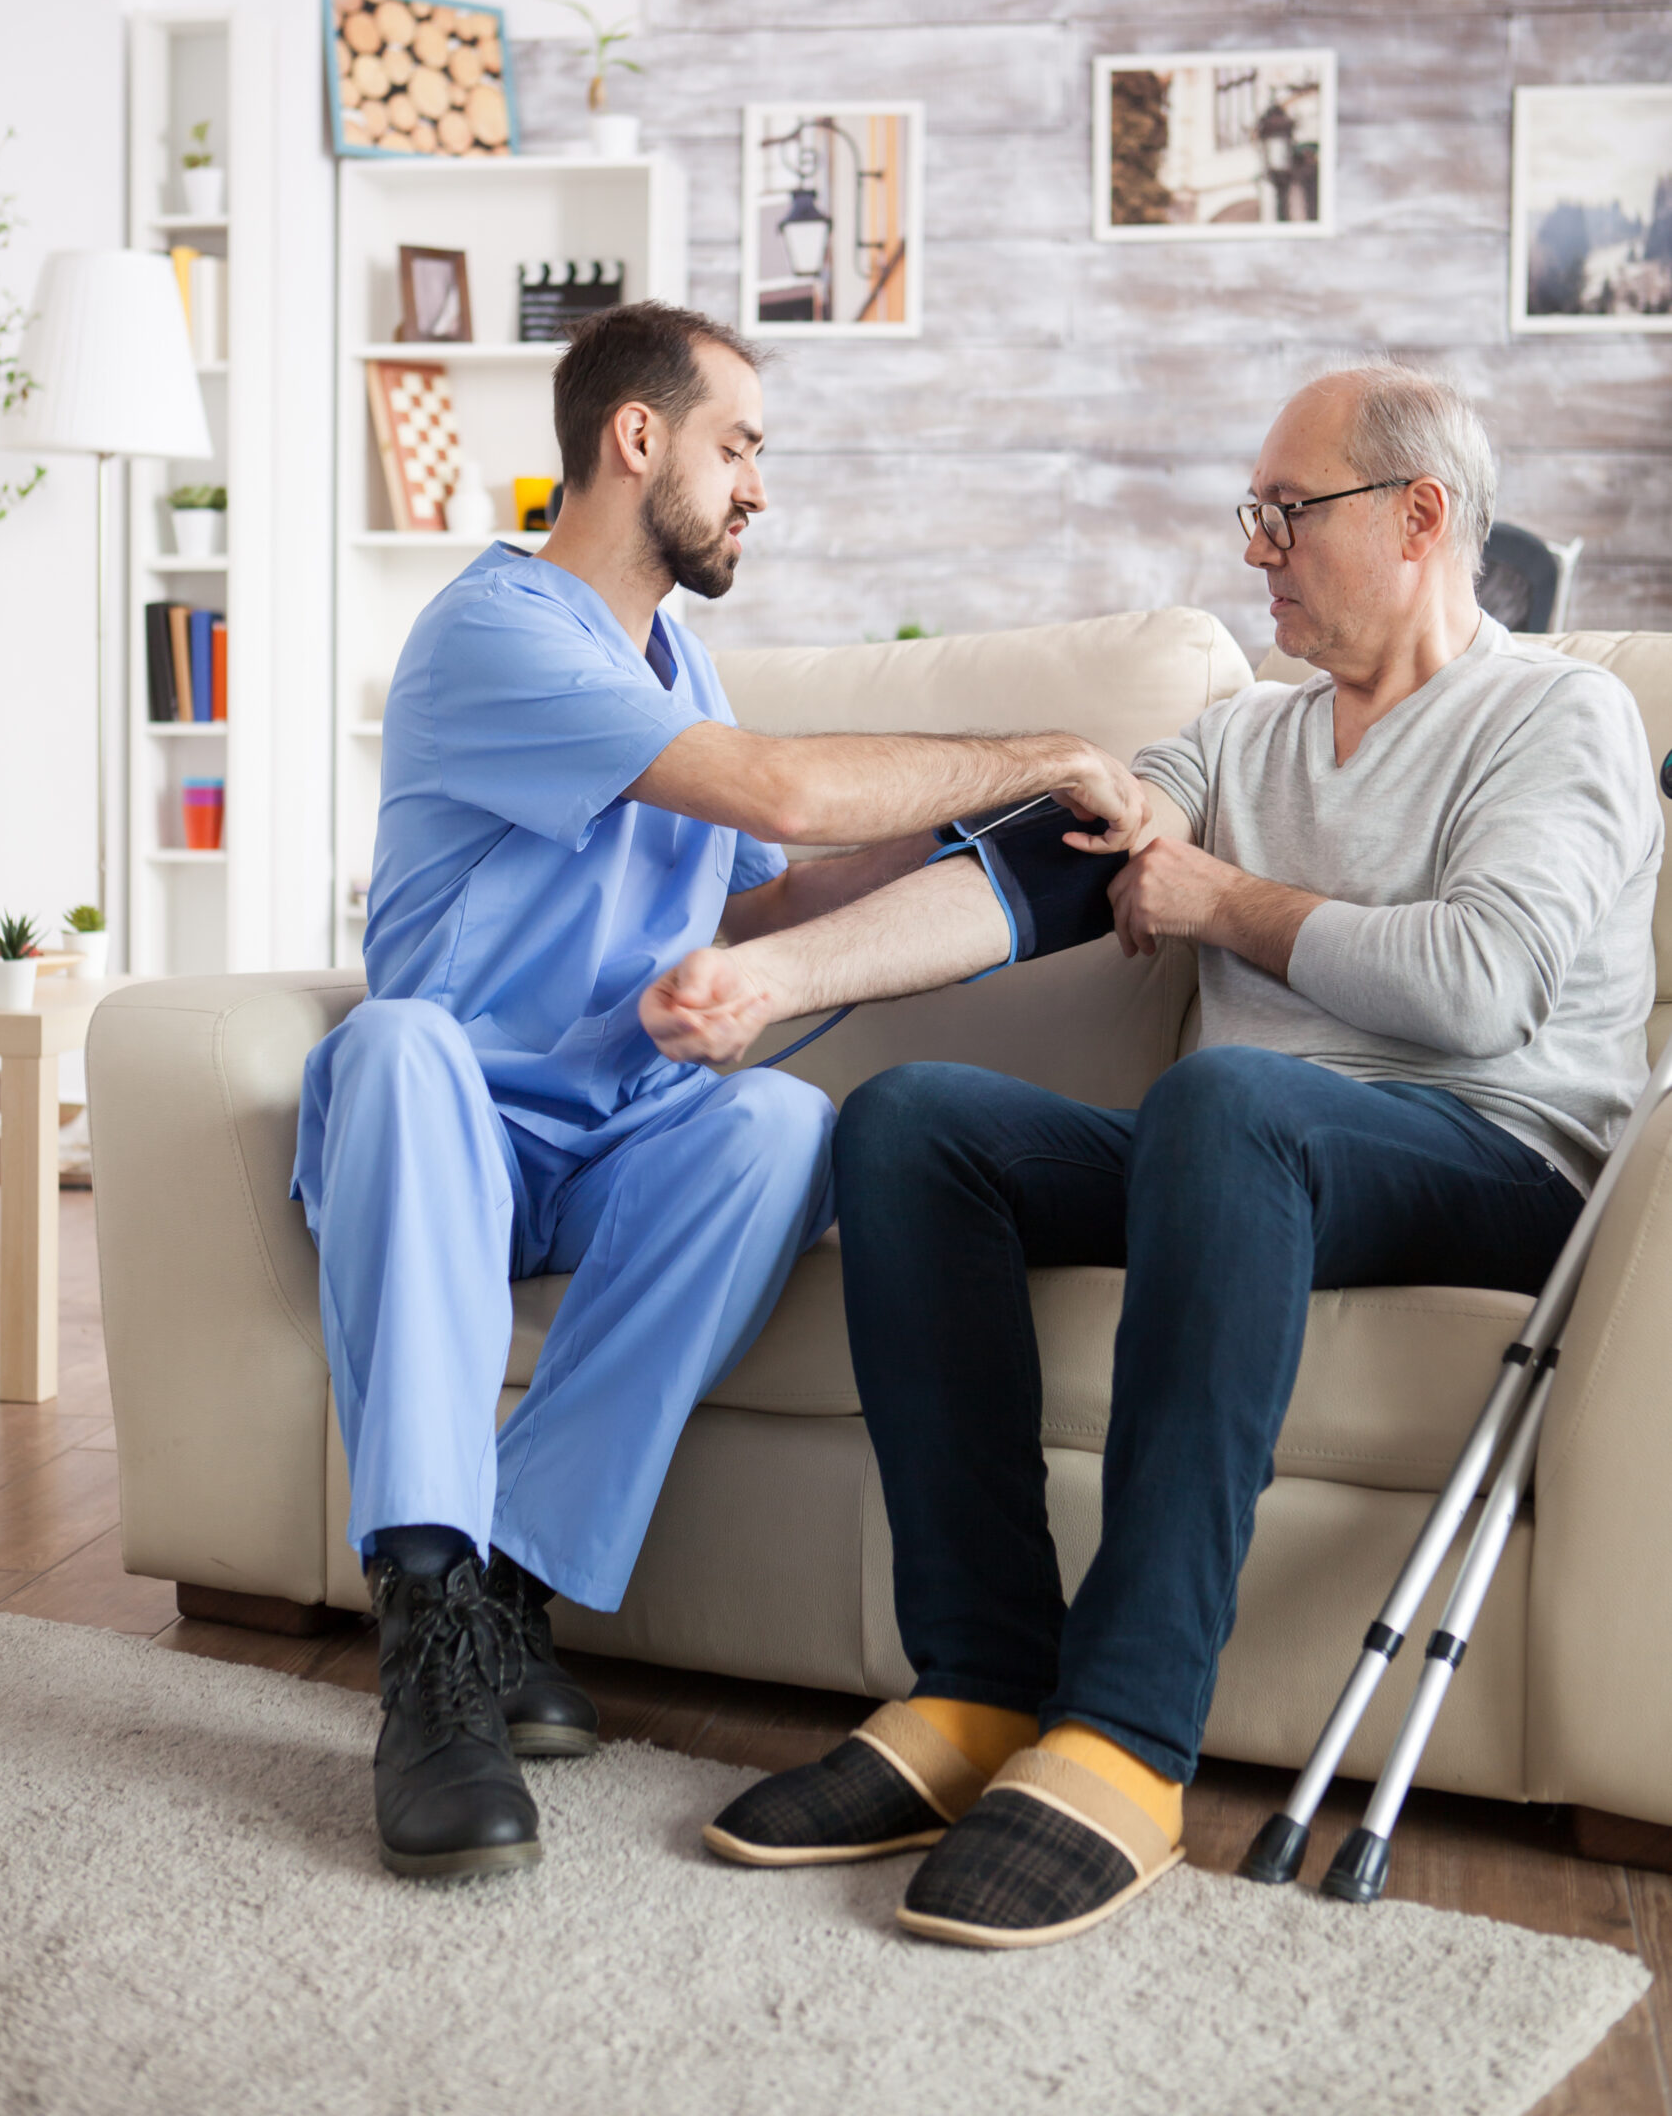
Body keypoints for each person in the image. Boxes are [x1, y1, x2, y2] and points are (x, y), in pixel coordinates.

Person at [641, 363, 1662, 1952]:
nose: (1256, 547)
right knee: (915, 1129)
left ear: (1421, 516)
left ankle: (1126, 1735)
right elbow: (1031, 882)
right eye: (1251, 515)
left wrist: (1224, 906)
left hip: (1498, 1158)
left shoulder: (1560, 715)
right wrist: (780, 975)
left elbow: (1481, 986)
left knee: (1227, 1100)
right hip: (1243, 1152)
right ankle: (979, 1688)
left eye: (1287, 512)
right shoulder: (1240, 735)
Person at [293, 299, 1154, 1882]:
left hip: (618, 1134)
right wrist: (1047, 751)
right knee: (393, 1043)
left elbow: (758, 895)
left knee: (780, 1121)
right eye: (739, 446)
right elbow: (776, 788)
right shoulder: (493, 631)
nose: (758, 485)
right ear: (638, 439)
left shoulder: (678, 654)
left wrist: (994, 857)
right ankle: (425, 1636)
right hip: (450, 1133)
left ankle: (507, 1594)